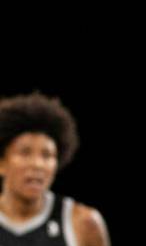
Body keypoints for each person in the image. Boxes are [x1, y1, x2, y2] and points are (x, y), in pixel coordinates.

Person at [0, 92, 110, 246]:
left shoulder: (83, 222)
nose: (37, 164)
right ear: (2, 163)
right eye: (25, 152)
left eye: (47, 155)